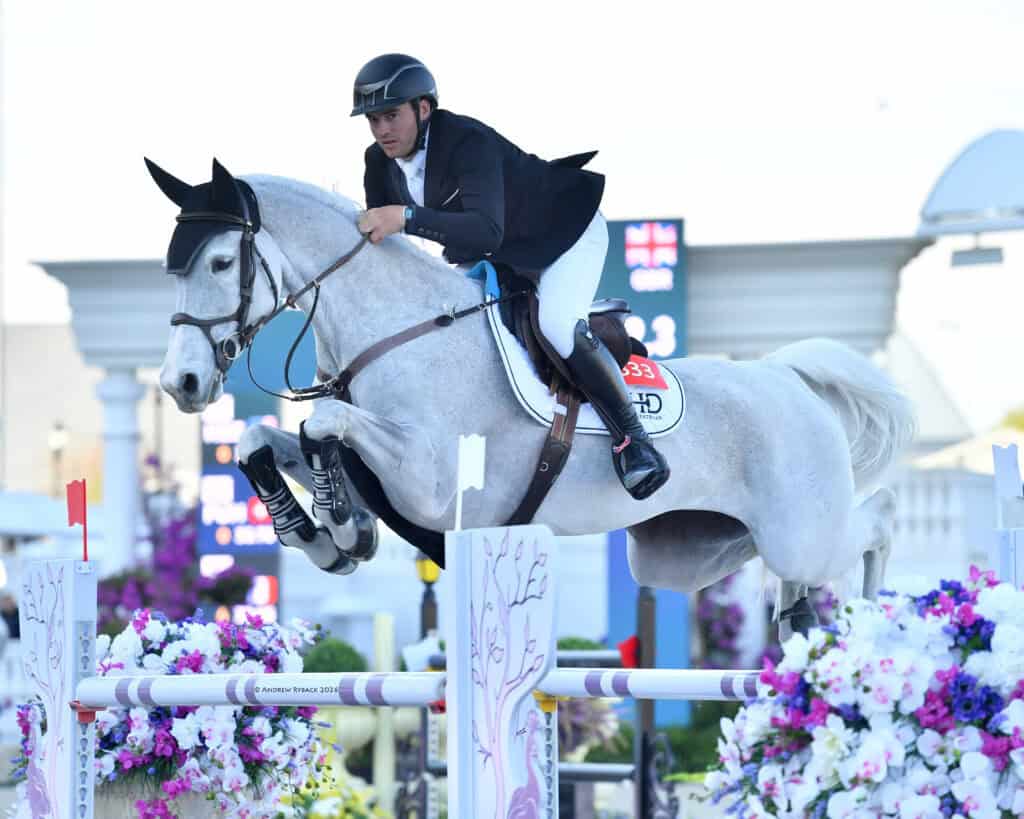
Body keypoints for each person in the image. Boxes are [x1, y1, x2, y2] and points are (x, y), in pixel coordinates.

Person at [351, 54, 670, 500]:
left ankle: (634, 441)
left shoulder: (467, 141)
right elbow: (389, 244)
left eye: (391, 115)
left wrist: (404, 216)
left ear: (423, 108)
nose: (383, 130)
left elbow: (484, 228)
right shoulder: (377, 161)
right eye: (373, 120)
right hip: (499, 255)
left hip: (564, 233)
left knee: (557, 324)